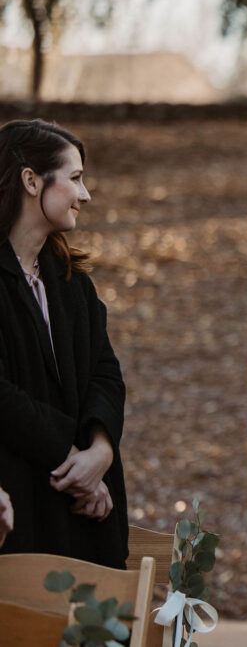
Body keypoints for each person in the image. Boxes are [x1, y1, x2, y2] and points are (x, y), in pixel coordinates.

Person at [0, 119, 127, 567]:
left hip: (80, 517)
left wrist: (101, 452)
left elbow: (105, 374)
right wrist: (73, 462)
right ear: (31, 181)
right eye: (74, 178)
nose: (85, 194)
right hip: (15, 511)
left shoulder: (73, 284)